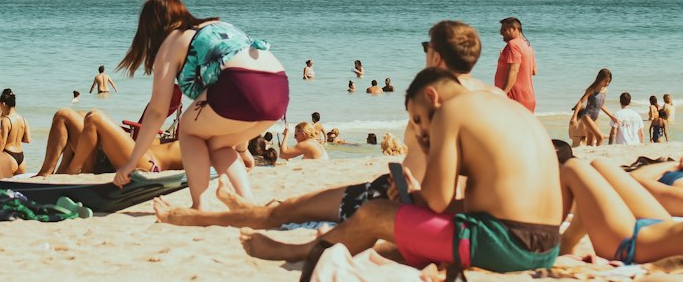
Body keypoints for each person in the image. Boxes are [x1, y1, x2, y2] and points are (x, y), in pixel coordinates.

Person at [152, 19, 489, 233]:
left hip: (410, 204)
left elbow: (438, 198)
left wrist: (409, 192)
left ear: (438, 58)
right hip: (459, 208)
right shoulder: (490, 96)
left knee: (302, 206)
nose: (425, 55)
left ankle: (208, 217)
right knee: (318, 205)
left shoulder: (441, 103)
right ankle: (254, 216)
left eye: (426, 49)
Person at [237, 67, 562, 269]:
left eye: (418, 119)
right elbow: (480, 200)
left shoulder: (451, 111)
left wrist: (417, 189)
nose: (421, 132)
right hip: (547, 245)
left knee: (373, 213)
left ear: (433, 96)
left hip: (507, 245)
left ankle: (302, 252)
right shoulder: (505, 107)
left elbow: (435, 201)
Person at [112, 0, 288, 211]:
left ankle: (199, 205)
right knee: (219, 144)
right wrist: (242, 149)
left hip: (240, 84)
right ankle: (247, 204)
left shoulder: (172, 42)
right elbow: (249, 81)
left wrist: (131, 163)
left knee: (188, 129)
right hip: (278, 88)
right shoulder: (218, 25)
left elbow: (158, 110)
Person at [560, 157, 683, 264]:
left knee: (573, 167)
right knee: (600, 165)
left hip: (629, 245)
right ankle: (568, 241)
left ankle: (553, 244)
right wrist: (675, 164)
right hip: (662, 224)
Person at [37, 102, 183, 176]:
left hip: (146, 166)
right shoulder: (182, 139)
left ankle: (73, 169)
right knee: (72, 115)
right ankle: (54, 172)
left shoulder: (193, 146)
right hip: (131, 156)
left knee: (93, 118)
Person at [494, 16, 537, 111]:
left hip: (514, 99)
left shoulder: (513, 44)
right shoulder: (527, 45)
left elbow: (514, 70)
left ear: (514, 29)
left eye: (504, 30)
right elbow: (533, 71)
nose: (501, 32)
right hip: (528, 98)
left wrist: (503, 94)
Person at [570, 68, 615, 146]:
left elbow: (601, 105)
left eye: (609, 81)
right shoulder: (592, 89)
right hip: (587, 116)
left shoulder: (604, 90)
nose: (607, 83)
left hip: (595, 118)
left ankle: (589, 156)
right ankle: (599, 155)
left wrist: (611, 117)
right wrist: (574, 117)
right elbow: (581, 101)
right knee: (600, 137)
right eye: (605, 81)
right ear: (599, 79)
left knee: (590, 142)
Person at [0, 87, 31, 172]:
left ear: (3, 104)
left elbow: (3, 143)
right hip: (21, 158)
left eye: (0, 105)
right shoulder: (23, 119)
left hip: (9, 155)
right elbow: (28, 140)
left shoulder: (5, 121)